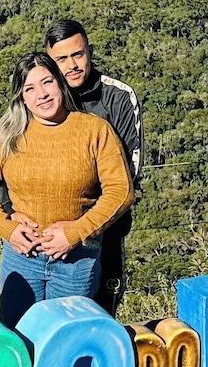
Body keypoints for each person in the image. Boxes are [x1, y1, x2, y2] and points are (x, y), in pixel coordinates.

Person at [0, 52, 132, 328]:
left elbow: (121, 191)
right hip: (22, 258)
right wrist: (7, 227)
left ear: (60, 83)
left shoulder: (94, 130)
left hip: (77, 260)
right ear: (21, 97)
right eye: (30, 88)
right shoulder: (8, 133)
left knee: (68, 341)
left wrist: (75, 232)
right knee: (20, 339)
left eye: (47, 82)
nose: (41, 94)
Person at [44, 19, 141, 310]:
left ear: (90, 52)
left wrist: (77, 228)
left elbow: (127, 176)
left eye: (78, 54)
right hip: (47, 237)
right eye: (61, 59)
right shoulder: (42, 98)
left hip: (103, 235)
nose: (72, 65)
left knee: (99, 319)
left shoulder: (119, 98)